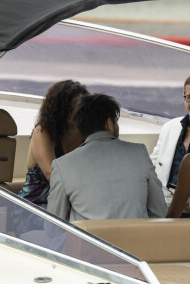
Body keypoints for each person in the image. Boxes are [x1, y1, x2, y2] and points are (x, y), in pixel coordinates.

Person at [47, 93, 167, 221]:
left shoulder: (62, 165)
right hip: (135, 240)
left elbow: (54, 226)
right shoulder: (139, 153)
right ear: (109, 124)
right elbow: (159, 211)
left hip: (87, 241)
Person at [14, 80, 89, 233]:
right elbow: (53, 175)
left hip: (73, 207)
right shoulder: (43, 133)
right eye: (68, 108)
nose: (73, 112)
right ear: (57, 108)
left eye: (78, 107)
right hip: (35, 208)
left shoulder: (87, 134)